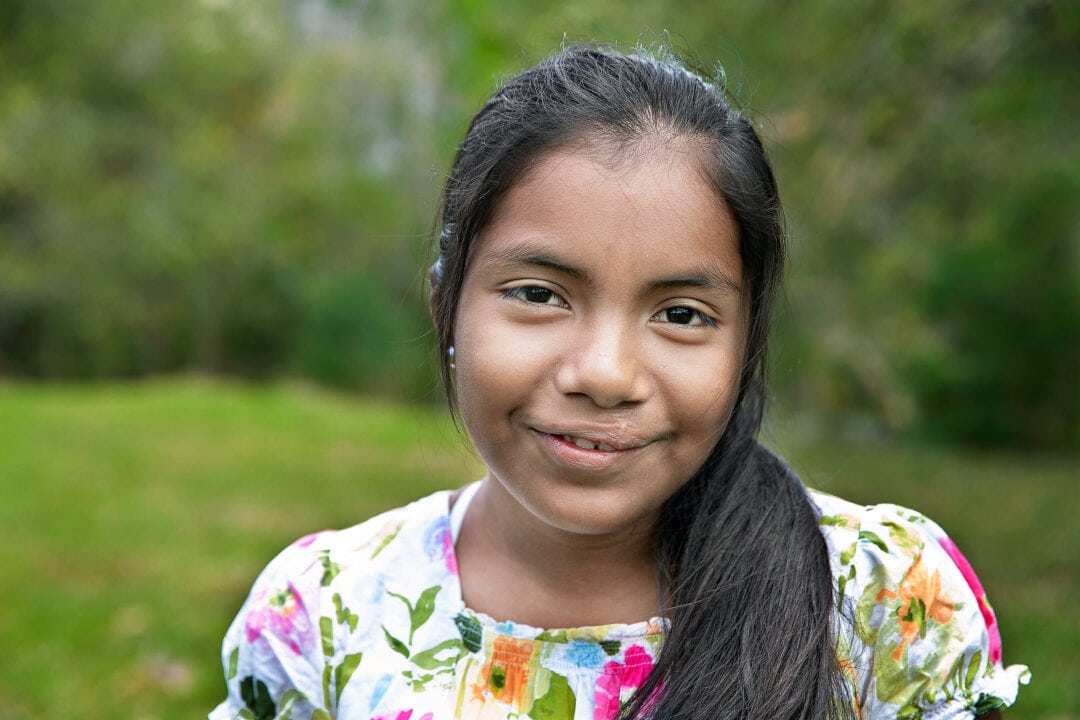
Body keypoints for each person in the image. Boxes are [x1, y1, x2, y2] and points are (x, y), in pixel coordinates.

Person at [210, 45, 1030, 720]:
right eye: (539, 295)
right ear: (444, 304)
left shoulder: (884, 598)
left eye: (680, 314)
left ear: (745, 345)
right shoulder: (325, 616)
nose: (605, 375)